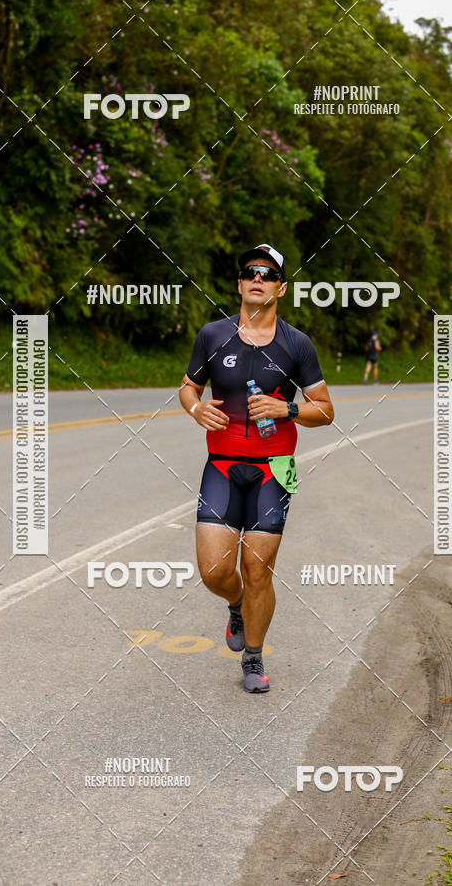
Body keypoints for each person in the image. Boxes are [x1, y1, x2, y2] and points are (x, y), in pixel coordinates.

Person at [179, 243, 334, 693]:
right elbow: (188, 388)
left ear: (280, 288)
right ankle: (237, 606)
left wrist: (288, 409)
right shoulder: (213, 336)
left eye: (268, 274)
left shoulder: (296, 344)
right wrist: (196, 410)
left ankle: (253, 656)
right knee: (215, 571)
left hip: (273, 470)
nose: (258, 278)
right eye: (250, 272)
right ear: (240, 284)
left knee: (257, 569)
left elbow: (325, 410)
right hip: (222, 467)